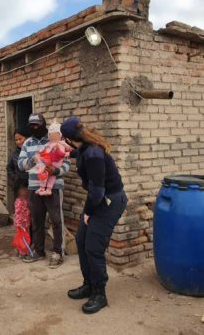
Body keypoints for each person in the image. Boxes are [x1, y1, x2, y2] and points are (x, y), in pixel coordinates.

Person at [60, 116, 127, 314]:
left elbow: (97, 191)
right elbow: (78, 152)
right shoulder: (85, 147)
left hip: (109, 201)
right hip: (99, 199)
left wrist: (89, 212)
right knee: (81, 241)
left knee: (93, 248)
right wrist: (65, 152)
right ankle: (88, 284)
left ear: (69, 138)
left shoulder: (94, 154)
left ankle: (100, 293)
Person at [18, 113, 71, 269]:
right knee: (37, 221)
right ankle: (39, 250)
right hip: (34, 187)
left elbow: (67, 163)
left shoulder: (55, 139)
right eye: (32, 126)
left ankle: (58, 253)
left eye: (37, 125)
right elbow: (20, 164)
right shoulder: (27, 143)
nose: (35, 128)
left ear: (44, 125)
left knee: (56, 220)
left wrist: (55, 171)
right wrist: (33, 159)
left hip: (54, 187)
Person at [33, 120, 72, 196]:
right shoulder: (49, 143)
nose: (53, 137)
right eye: (51, 135)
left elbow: (69, 150)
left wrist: (67, 153)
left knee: (52, 176)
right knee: (43, 174)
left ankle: (48, 189)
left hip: (56, 163)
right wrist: (39, 154)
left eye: (55, 135)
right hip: (48, 161)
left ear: (60, 135)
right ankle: (42, 187)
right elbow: (43, 149)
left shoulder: (62, 143)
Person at [6, 129, 29, 195]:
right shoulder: (15, 153)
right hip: (20, 188)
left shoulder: (31, 151)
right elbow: (9, 167)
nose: (18, 142)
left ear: (26, 138)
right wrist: (15, 177)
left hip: (32, 187)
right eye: (16, 140)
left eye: (20, 139)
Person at [13, 185, 31, 258]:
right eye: (23, 191)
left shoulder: (26, 200)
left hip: (26, 223)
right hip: (20, 224)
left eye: (25, 190)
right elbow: (17, 213)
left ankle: (21, 249)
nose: (25, 192)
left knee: (26, 237)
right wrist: (19, 223)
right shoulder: (19, 201)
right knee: (21, 237)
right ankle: (22, 252)